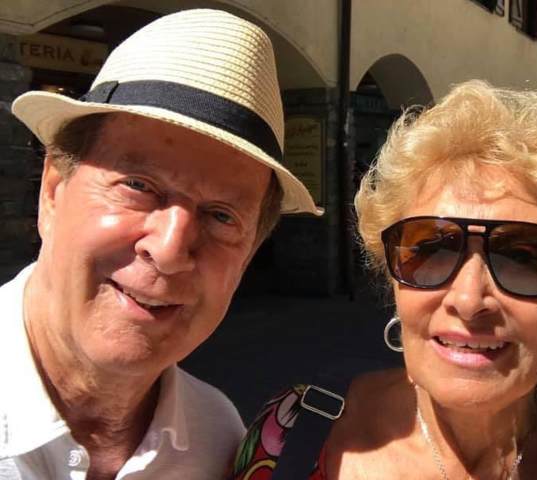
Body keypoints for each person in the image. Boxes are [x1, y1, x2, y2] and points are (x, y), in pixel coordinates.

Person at [231, 82, 537, 479]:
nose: (470, 300)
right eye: (431, 249)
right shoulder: (292, 433)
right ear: (393, 276)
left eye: (522, 257)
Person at [0, 9, 321, 480]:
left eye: (221, 215)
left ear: (249, 254)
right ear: (52, 191)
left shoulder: (217, 438)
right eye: (138, 185)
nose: (170, 251)